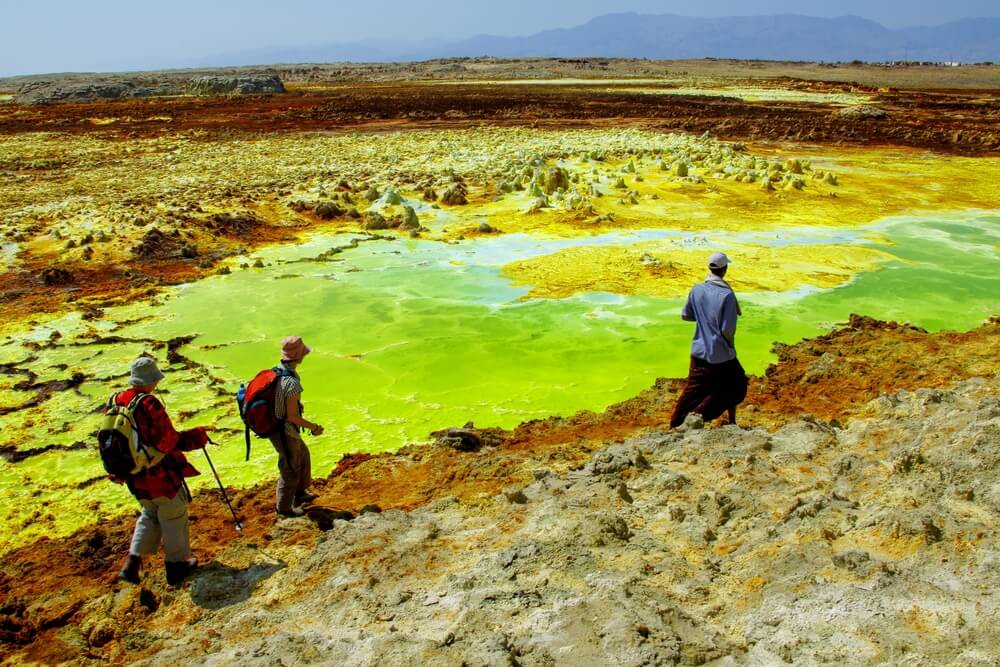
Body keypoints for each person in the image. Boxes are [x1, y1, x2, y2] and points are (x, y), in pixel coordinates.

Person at [113, 357, 209, 586]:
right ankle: (177, 566)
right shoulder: (149, 404)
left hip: (134, 476)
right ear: (151, 380)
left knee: (149, 514)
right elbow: (168, 441)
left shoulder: (117, 400)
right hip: (159, 475)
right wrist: (196, 436)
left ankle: (133, 562)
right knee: (173, 514)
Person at [669, 251, 748, 428]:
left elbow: (686, 315)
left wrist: (704, 317)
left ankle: (676, 422)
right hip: (721, 354)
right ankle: (708, 417)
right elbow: (727, 329)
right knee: (736, 385)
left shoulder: (696, 289)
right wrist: (729, 346)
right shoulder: (727, 295)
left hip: (698, 351)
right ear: (725, 269)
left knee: (692, 390)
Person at [271, 336, 324, 518]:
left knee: (303, 454)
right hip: (284, 430)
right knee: (290, 468)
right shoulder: (292, 383)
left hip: (280, 426)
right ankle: (284, 508)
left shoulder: (278, 370)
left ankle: (300, 492)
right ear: (299, 356)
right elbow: (292, 416)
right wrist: (314, 427)